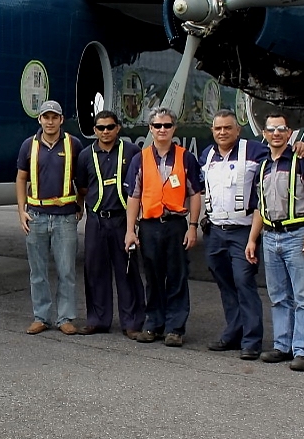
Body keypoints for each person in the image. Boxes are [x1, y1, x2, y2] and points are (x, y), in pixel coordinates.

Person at [244, 113, 304, 372]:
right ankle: (282, 346)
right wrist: (252, 239)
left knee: (303, 297)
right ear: (265, 133)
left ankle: (303, 351)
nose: (276, 133)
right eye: (271, 129)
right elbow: (259, 206)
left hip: (297, 235)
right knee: (278, 296)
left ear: (289, 133)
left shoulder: (303, 161)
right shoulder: (263, 166)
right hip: (270, 236)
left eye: (281, 129)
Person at [124, 107, 203, 346]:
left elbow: (195, 194)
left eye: (167, 126)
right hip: (149, 226)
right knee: (153, 276)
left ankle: (175, 328)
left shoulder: (185, 157)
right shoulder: (141, 158)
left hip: (176, 224)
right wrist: (130, 230)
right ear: (150, 128)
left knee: (177, 276)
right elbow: (134, 197)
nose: (162, 130)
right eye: (157, 126)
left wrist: (192, 226)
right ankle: (154, 324)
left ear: (173, 129)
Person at [199, 109, 266, 360]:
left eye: (228, 128)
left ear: (238, 130)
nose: (223, 132)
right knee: (225, 284)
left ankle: (252, 340)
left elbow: (283, 158)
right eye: (218, 128)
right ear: (213, 131)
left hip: (243, 230)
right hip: (215, 231)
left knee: (244, 282)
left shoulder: (255, 151)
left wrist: (300, 148)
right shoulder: (207, 155)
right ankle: (233, 332)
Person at [16, 100, 84, 335]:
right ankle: (41, 317)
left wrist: (80, 205)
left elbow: (81, 181)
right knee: (38, 271)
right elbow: (21, 178)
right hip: (36, 216)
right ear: (40, 120)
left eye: (54, 117)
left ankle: (65, 318)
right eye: (46, 117)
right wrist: (21, 210)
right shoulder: (29, 145)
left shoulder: (73, 144)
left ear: (61, 119)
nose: (50, 121)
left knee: (66, 271)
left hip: (65, 217)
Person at [76, 110, 145, 339]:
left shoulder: (132, 152)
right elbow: (83, 188)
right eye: (100, 128)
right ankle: (98, 320)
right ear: (94, 130)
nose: (105, 132)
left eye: (109, 127)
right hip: (96, 219)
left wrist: (133, 224)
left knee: (127, 271)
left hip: (122, 219)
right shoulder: (86, 155)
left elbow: (139, 185)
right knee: (95, 271)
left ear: (118, 128)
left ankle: (132, 322)